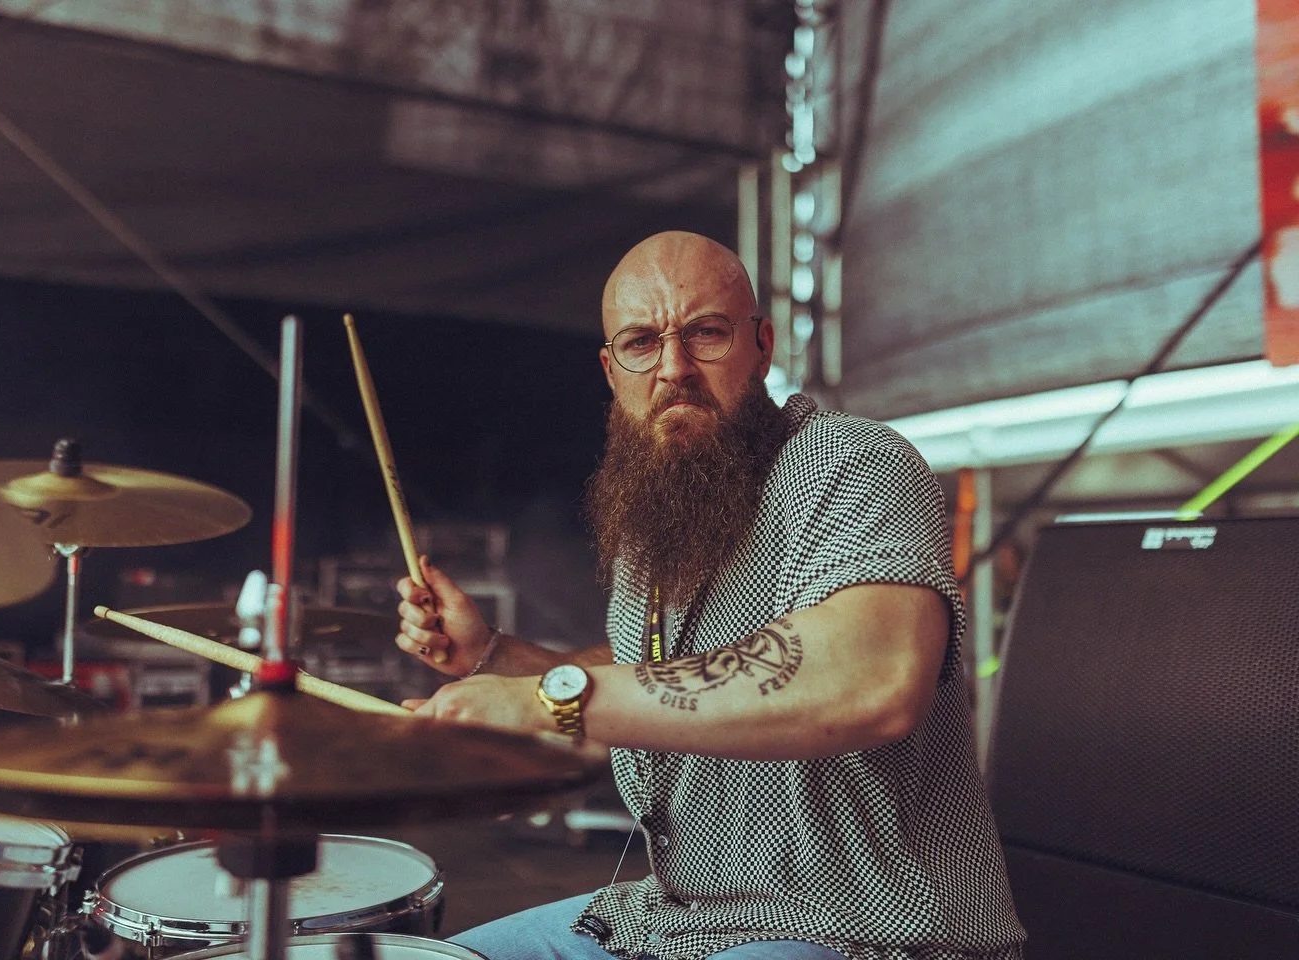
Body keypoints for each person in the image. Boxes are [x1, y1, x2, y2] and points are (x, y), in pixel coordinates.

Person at [393, 231, 1026, 960]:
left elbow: (869, 679)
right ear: (610, 368)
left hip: (863, 935)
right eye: (641, 342)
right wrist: (496, 659)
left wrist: (551, 699)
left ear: (761, 344)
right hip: (672, 920)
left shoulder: (851, 461)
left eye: (705, 334)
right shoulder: (656, 513)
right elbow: (664, 671)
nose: (673, 368)